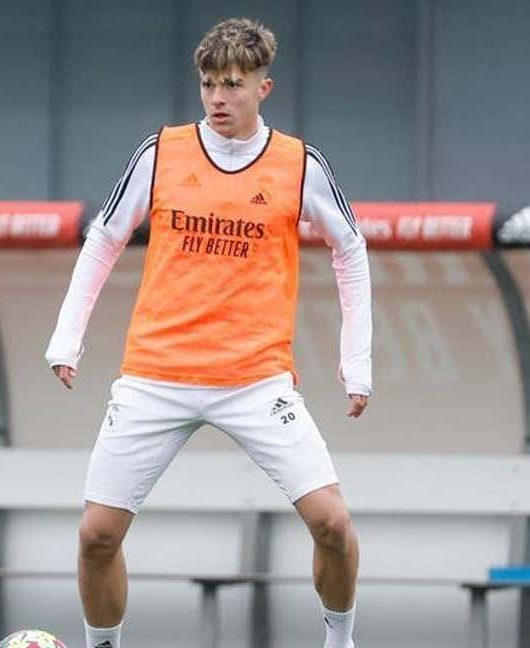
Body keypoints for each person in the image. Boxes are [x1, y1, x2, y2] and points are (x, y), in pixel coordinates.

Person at [45, 18, 372, 648]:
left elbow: (350, 250)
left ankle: (340, 640)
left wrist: (355, 363)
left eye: (232, 84)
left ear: (263, 87)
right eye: (207, 84)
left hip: (255, 380)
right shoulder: (161, 151)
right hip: (155, 375)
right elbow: (104, 239)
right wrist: (67, 338)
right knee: (96, 535)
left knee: (332, 522)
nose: (218, 98)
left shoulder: (297, 163)